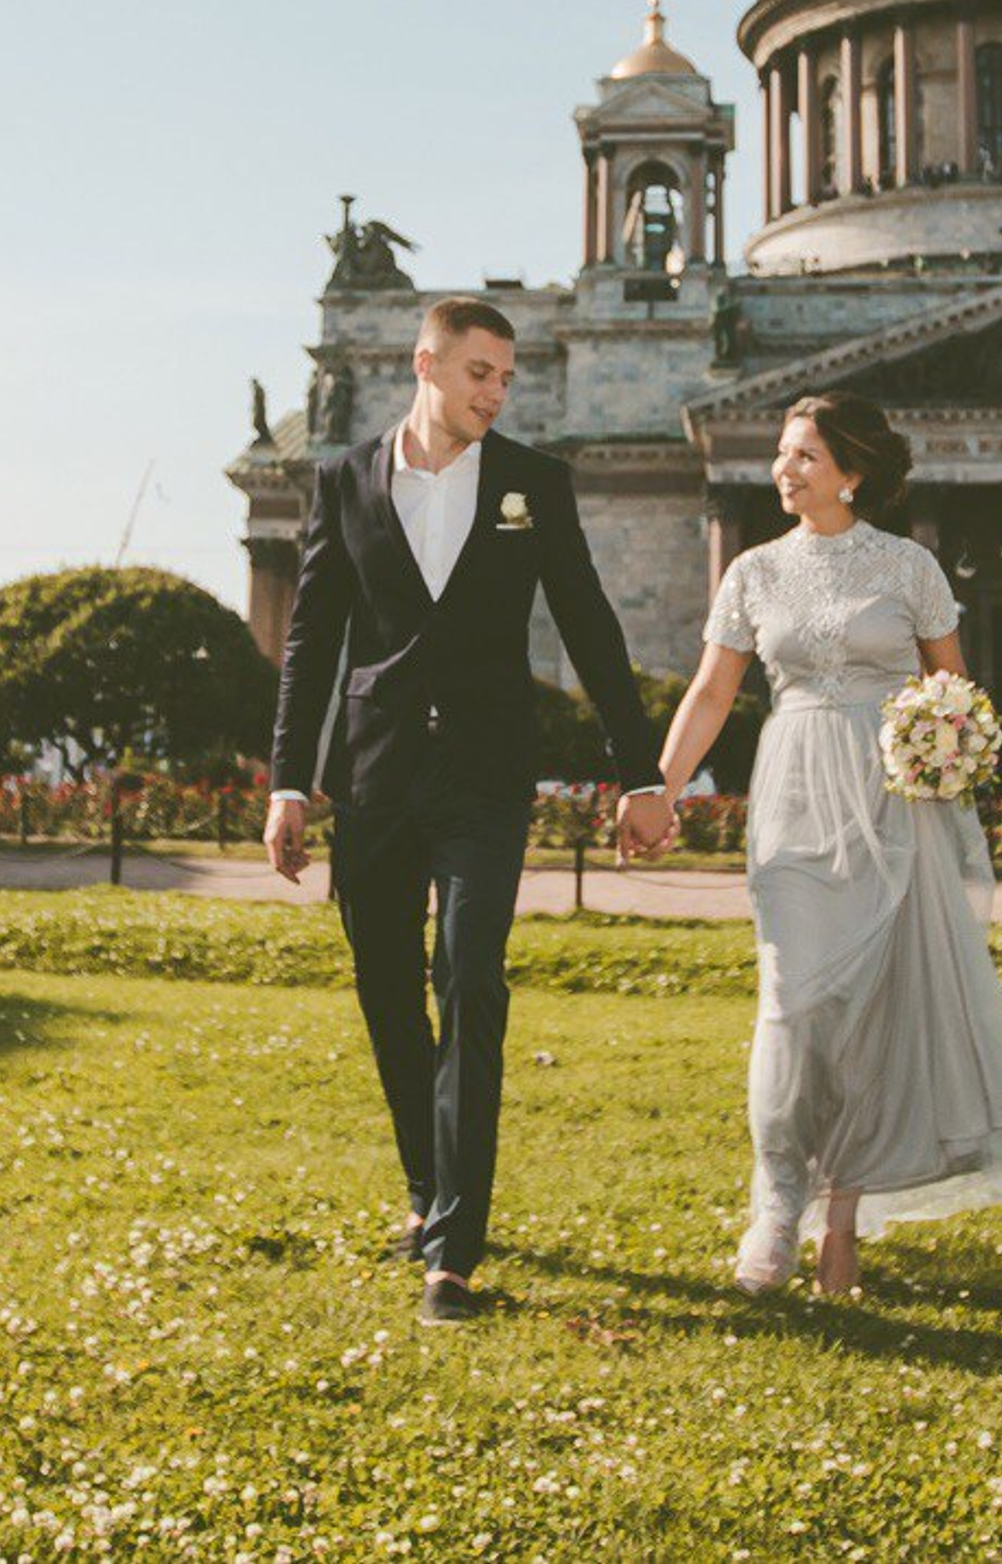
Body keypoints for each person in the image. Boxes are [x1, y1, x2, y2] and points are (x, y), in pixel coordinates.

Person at [265, 296, 675, 1326]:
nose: (497, 393)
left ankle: (452, 1251)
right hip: (375, 775)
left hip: (486, 778)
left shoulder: (535, 483)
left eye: (507, 378)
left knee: (471, 979)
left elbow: (589, 624)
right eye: (480, 373)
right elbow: (312, 640)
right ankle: (425, 1185)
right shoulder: (343, 480)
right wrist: (287, 782)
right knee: (386, 991)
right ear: (426, 365)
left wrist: (640, 774)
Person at [655, 392, 1002, 1297]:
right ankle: (776, 1204)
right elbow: (712, 692)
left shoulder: (909, 567)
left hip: (891, 804)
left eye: (805, 455)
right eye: (783, 452)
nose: (785, 468)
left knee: (866, 1015)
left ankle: (839, 1218)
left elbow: (954, 692)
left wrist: (943, 751)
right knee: (791, 1001)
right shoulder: (753, 573)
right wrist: (662, 786)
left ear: (851, 472)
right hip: (795, 792)